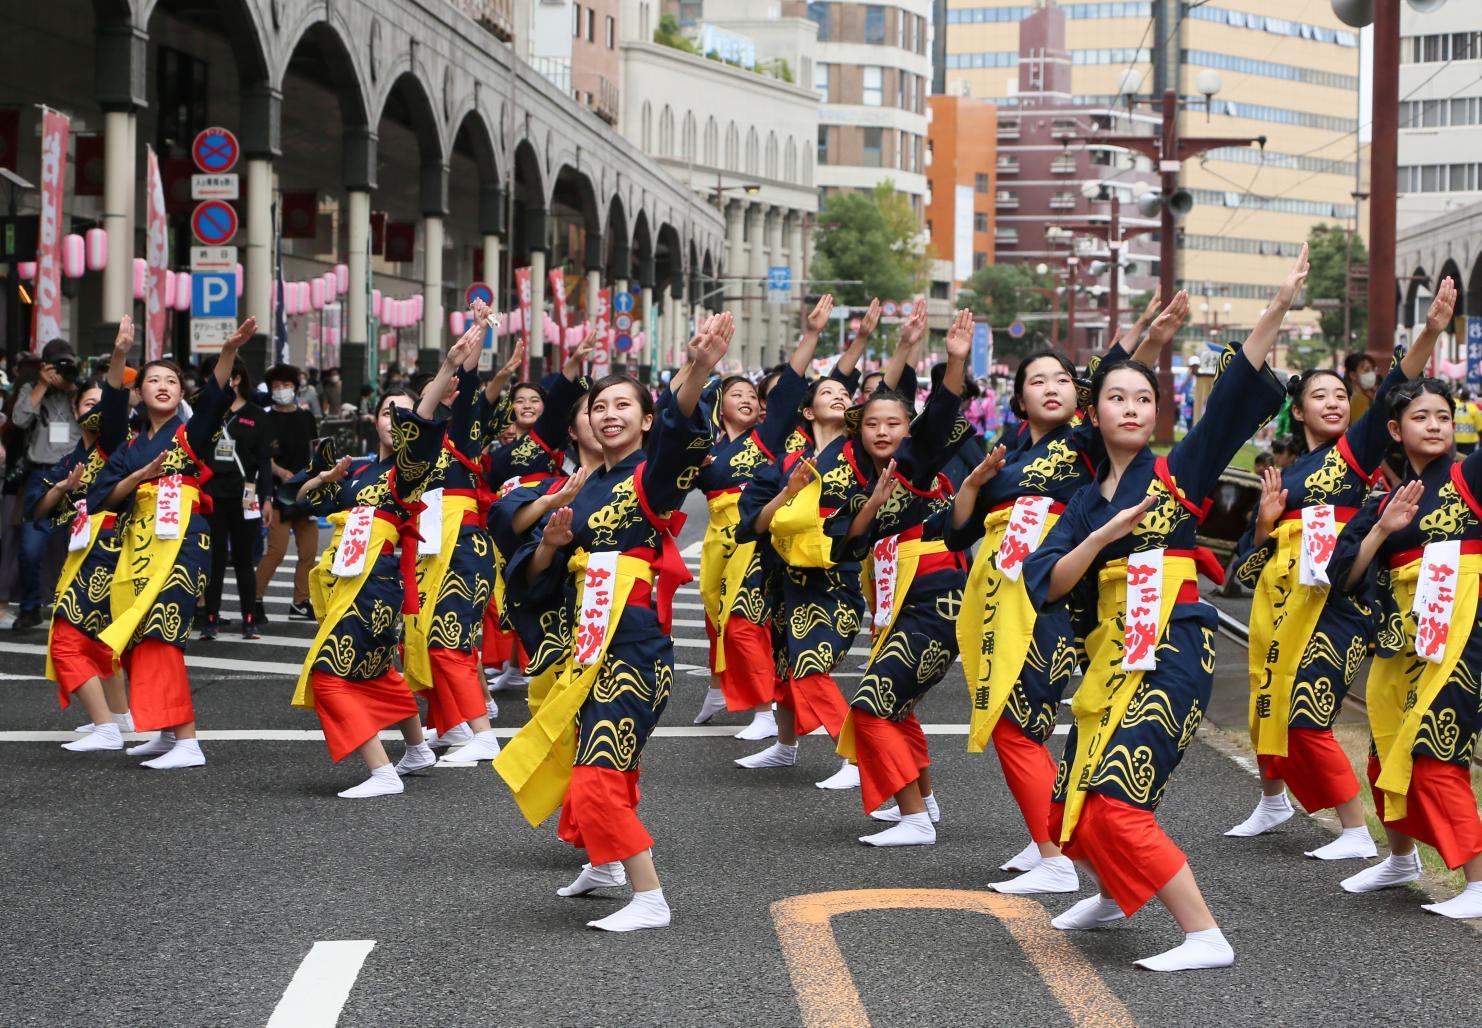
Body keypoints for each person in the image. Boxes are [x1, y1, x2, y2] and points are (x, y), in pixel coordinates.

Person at [1022, 250, 1305, 973]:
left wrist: (1274, 309)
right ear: (1096, 413)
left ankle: (1205, 935)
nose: (1132, 409)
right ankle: (1117, 895)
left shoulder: (1181, 472)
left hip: (1174, 649)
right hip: (1114, 654)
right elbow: (1048, 583)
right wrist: (1104, 535)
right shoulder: (1083, 501)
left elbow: (1238, 388)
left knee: (1116, 795)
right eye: (1117, 399)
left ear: (1157, 413)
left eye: (1143, 400)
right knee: (1071, 794)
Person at [494, 312, 733, 933]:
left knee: (600, 769)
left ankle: (651, 898)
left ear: (646, 419)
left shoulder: (649, 477)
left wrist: (700, 366)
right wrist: (549, 540)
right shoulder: (578, 486)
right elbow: (536, 575)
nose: (609, 414)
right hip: (586, 643)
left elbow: (681, 436)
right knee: (599, 762)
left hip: (633, 650)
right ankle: (604, 867)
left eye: (624, 405)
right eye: (599, 406)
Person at [946, 292, 1173, 889]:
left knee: (1016, 723)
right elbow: (957, 531)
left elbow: (1123, 392)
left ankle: (1054, 856)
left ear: (1084, 401)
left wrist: (1146, 336)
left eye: (1063, 380)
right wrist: (972, 484)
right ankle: (1048, 839)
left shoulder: (1086, 443)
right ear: (1017, 398)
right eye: (1036, 381)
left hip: (1054, 595)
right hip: (1001, 594)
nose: (1051, 387)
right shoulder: (1010, 455)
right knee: (1020, 720)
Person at [1226, 278, 1452, 858]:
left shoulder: (1353, 453)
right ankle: (1272, 799)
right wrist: (1265, 522)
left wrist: (1427, 332)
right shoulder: (1288, 472)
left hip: (1341, 600)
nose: (1333, 402)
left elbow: (1395, 391)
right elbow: (1246, 568)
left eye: (1339, 395)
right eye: (1319, 396)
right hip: (1282, 600)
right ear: (1296, 410)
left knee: (1308, 707)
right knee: (1266, 698)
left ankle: (1355, 831)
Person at [733, 305, 920, 785]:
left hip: (830, 581)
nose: (840, 395)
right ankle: (785, 745)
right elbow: (752, 521)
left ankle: (857, 758)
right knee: (781, 665)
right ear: (808, 409)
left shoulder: (857, 446)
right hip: (779, 575)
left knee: (811, 667)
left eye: (845, 391)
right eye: (828, 392)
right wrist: (788, 492)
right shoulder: (787, 455)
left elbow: (885, 396)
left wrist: (899, 346)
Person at [288, 327, 477, 798]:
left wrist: (449, 367)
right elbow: (301, 500)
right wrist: (324, 478)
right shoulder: (359, 472)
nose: (396, 419)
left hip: (377, 581)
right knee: (376, 669)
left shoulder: (408, 470)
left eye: (404, 413)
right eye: (388, 412)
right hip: (343, 579)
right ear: (373, 420)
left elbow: (422, 422)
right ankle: (416, 749)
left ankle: (381, 772)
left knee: (330, 674)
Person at [1328, 378, 1482, 919]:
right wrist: (1380, 531)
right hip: (1405, 640)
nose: (1436, 425)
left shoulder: (1471, 476)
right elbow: (1342, 576)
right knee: (1384, 750)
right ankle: (1400, 858)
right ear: (1396, 430)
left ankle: (1478, 880)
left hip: (1465, 631)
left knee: (1437, 751)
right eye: (1422, 417)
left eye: (1444, 415)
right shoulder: (1384, 501)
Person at [826, 308, 974, 847]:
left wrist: (952, 360)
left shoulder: (917, 461)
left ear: (907, 430)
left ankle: (913, 818)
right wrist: (873, 505)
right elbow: (847, 541)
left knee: (870, 707)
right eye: (871, 423)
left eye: (893, 423)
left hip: (937, 602)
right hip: (894, 603)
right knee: (899, 704)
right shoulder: (851, 478)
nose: (883, 430)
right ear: (857, 431)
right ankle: (925, 802)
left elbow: (940, 412)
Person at [692, 294, 868, 732]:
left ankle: (770, 714)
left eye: (754, 394)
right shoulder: (717, 453)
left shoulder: (782, 442)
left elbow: (808, 385)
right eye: (737, 394)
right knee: (741, 629)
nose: (749, 400)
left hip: (814, 557)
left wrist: (825, 337)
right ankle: (773, 728)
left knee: (778, 641)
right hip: (741, 542)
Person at [93, 317, 259, 769]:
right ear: (140, 392)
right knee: (140, 636)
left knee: (165, 632)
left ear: (183, 393)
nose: (163, 386)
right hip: (139, 543)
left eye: (172, 380)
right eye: (153, 380)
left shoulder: (192, 433)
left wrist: (227, 351)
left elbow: (216, 398)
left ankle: (187, 739)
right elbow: (105, 494)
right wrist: (120, 356)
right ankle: (166, 731)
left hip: (182, 541)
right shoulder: (128, 443)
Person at [29, 319, 135, 750]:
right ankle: (121, 718)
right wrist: (60, 489)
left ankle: (106, 727)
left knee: (67, 641)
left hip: (111, 550)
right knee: (97, 641)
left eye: (100, 401)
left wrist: (119, 357)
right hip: (83, 553)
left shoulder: (116, 444)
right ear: (76, 412)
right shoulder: (76, 456)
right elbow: (38, 509)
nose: (94, 407)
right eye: (85, 402)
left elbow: (112, 400)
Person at [10, 338, 83, 631]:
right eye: (58, 365)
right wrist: (42, 384)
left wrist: (72, 390)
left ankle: (75, 607)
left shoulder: (80, 391)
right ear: (45, 366)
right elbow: (19, 420)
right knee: (30, 549)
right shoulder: (32, 390)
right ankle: (29, 607)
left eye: (68, 364)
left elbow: (97, 423)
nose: (64, 370)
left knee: (77, 546)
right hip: (41, 476)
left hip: (76, 475)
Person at [199, 355, 271, 640]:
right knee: (214, 559)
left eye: (216, 375)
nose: (210, 383)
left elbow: (264, 461)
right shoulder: (207, 413)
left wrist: (267, 499)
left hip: (246, 494)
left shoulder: (256, 415)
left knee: (243, 559)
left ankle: (249, 619)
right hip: (212, 493)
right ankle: (211, 618)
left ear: (236, 378)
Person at [256, 365, 320, 621]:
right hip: (278, 492)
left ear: (295, 387)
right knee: (277, 550)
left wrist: (318, 477)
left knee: (308, 551)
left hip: (306, 492)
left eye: (286, 385)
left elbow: (316, 451)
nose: (281, 390)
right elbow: (261, 456)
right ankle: (255, 597)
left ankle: (300, 602)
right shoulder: (265, 418)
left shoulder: (306, 418)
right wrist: (281, 472)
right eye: (276, 386)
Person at [1343, 352, 1378, 422]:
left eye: (1373, 370)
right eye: (1366, 370)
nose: (1371, 374)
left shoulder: (1353, 398)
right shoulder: (1359, 399)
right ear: (1353, 375)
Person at [1454, 386, 1479, 455]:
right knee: (1468, 461)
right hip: (1470, 440)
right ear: (1469, 397)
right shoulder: (1473, 408)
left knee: (1456, 460)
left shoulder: (1454, 406)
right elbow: (1480, 426)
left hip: (1455, 439)